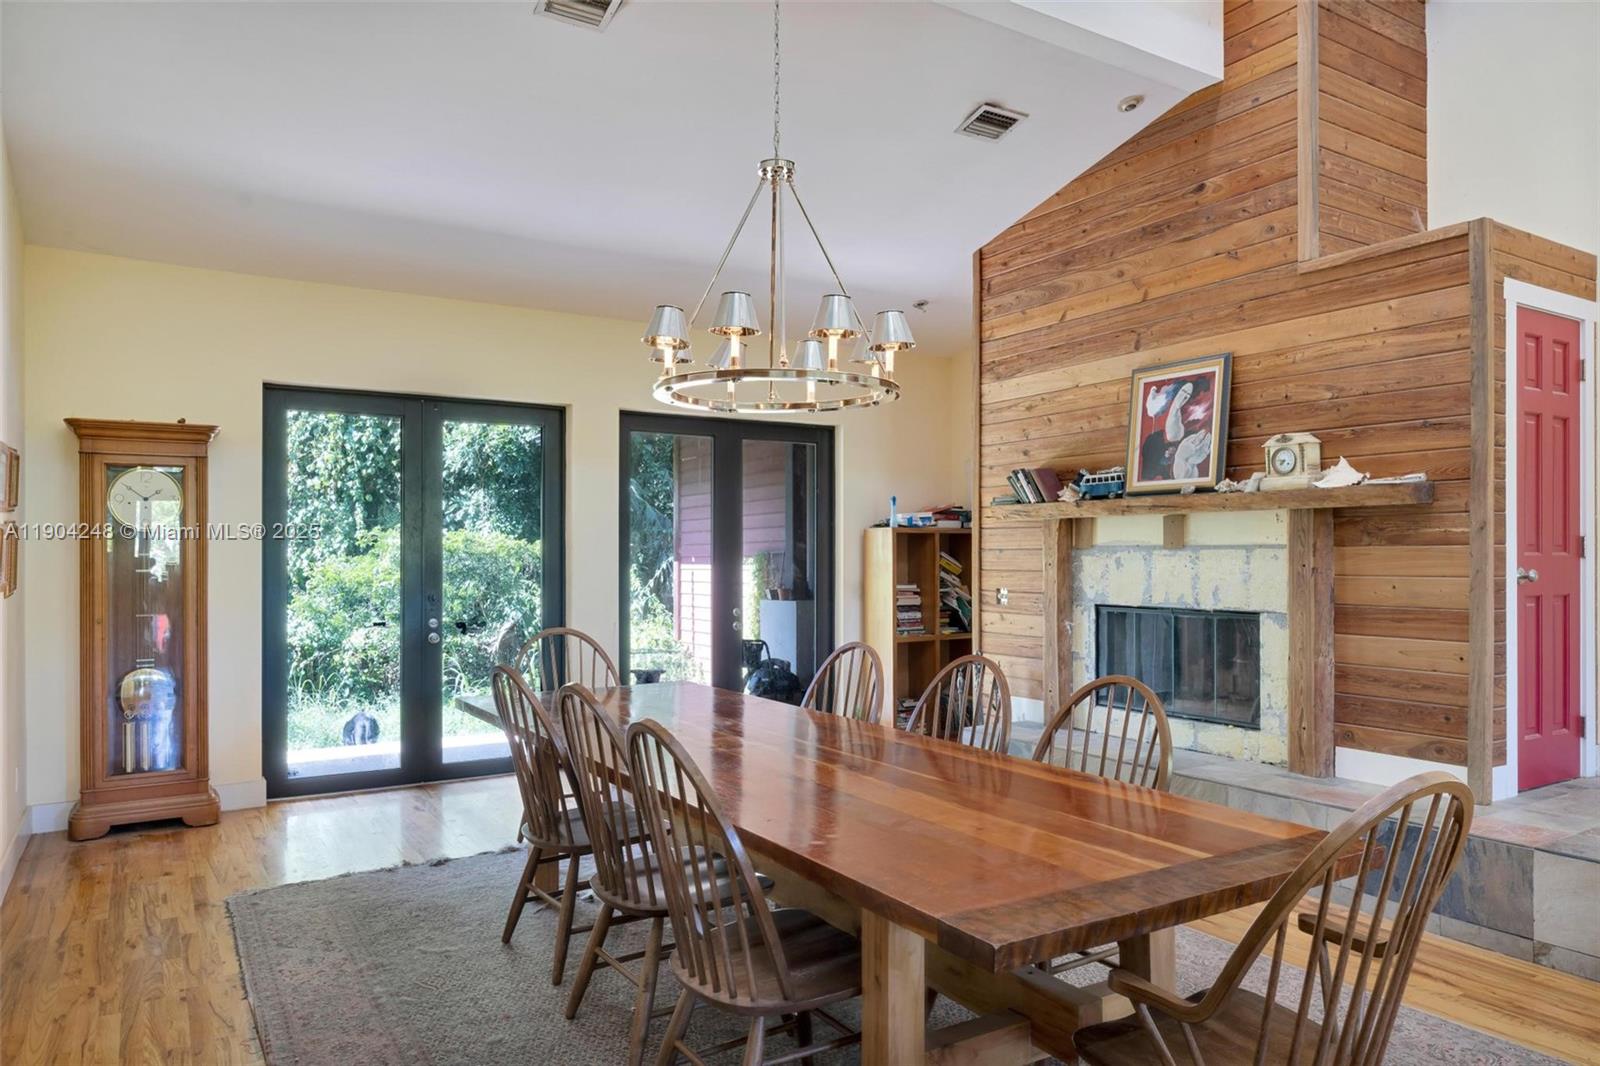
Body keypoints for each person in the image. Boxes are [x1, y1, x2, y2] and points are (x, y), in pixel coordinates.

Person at [1139, 376, 1214, 482]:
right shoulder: (1155, 441)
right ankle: (1175, 410)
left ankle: (1175, 410)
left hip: (1183, 468)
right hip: (1173, 462)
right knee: (1176, 437)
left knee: (1183, 449)